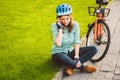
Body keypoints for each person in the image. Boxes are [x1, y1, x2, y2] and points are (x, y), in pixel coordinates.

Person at [50, 3, 97, 76]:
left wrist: (77, 56)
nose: (65, 21)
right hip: (58, 54)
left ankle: (72, 66)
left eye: (67, 18)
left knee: (93, 49)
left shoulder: (75, 25)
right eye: (62, 19)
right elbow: (58, 43)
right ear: (58, 19)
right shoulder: (54, 26)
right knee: (61, 56)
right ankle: (83, 67)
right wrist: (60, 28)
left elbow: (76, 41)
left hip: (70, 52)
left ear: (70, 17)